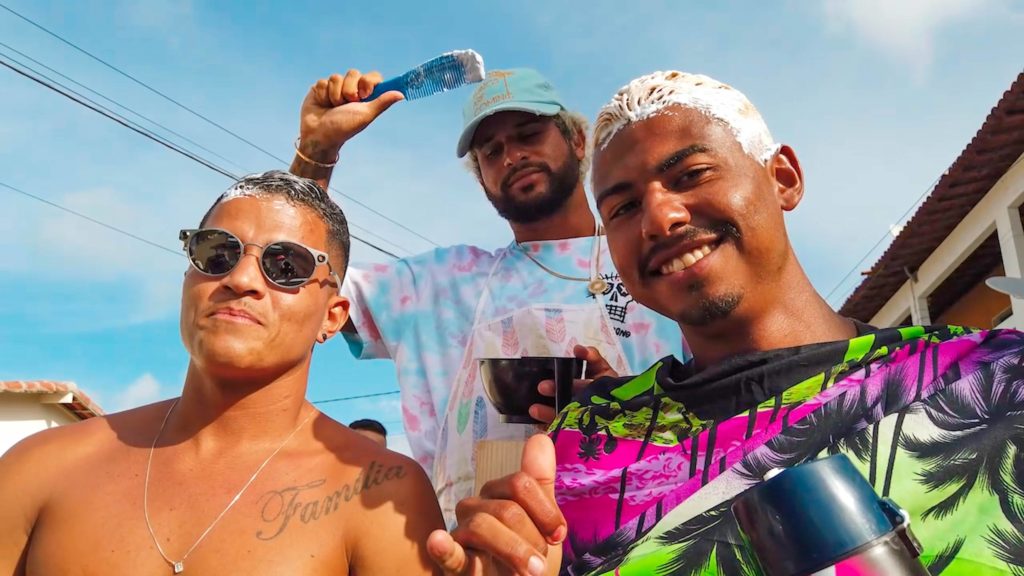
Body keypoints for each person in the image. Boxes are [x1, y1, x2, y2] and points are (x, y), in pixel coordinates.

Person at [426, 71, 1024, 576]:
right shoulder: (581, 451)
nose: (659, 218)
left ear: (783, 177)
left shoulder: (991, 382)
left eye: (691, 175)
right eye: (624, 207)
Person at [289, 68, 686, 522]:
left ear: (578, 141)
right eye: (492, 152)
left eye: (529, 135)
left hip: (656, 542)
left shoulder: (655, 261)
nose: (513, 156)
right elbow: (294, 277)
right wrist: (316, 154)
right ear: (482, 179)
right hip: (469, 549)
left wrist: (631, 413)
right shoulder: (438, 286)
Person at [0, 171, 443, 575]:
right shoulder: (43, 467)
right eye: (216, 253)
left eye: (287, 266)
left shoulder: (381, 496)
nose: (242, 278)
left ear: (332, 317)